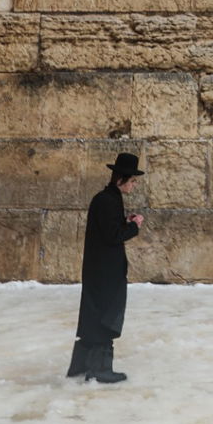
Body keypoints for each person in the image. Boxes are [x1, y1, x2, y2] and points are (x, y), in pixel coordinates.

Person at [67, 152, 145, 382]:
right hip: (105, 273)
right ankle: (100, 370)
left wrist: (126, 222)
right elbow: (113, 235)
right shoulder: (107, 200)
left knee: (95, 314)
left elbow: (108, 230)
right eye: (132, 180)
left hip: (100, 270)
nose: (134, 185)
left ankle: (81, 367)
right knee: (104, 314)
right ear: (121, 179)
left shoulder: (108, 198)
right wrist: (134, 226)